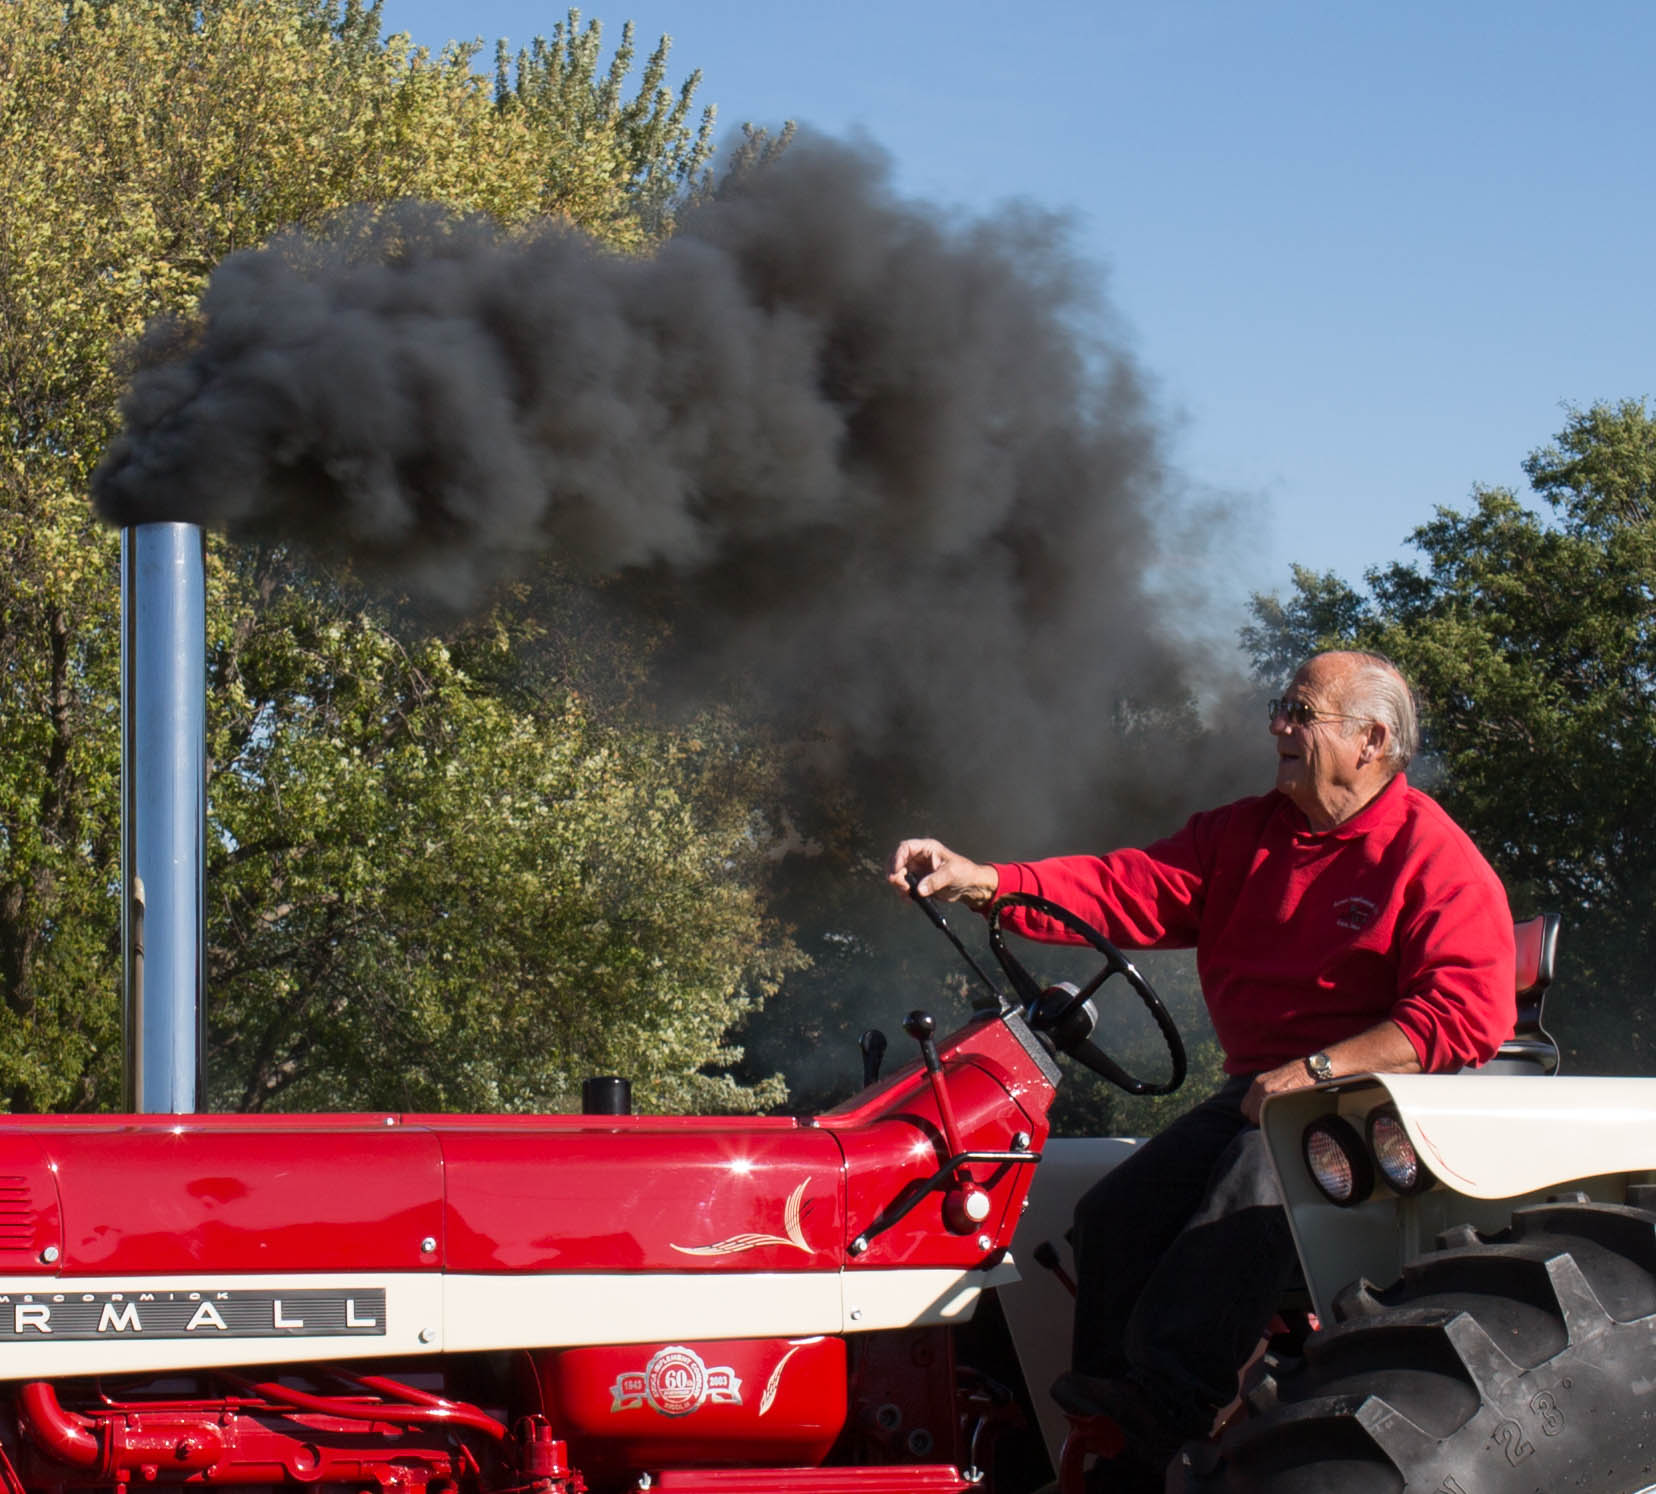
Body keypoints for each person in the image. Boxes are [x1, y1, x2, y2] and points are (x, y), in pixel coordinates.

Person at [887, 650, 1515, 1491]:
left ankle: (1171, 1404)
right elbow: (1121, 888)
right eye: (1280, 706)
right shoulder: (1243, 837)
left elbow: (1469, 1014)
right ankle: (1116, 1441)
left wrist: (1316, 1068)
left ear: (1369, 740)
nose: (1277, 727)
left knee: (1240, 1198)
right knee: (1115, 1212)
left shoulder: (1431, 855)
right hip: (1263, 1093)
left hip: (1374, 1102)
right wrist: (984, 882)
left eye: (1300, 711)